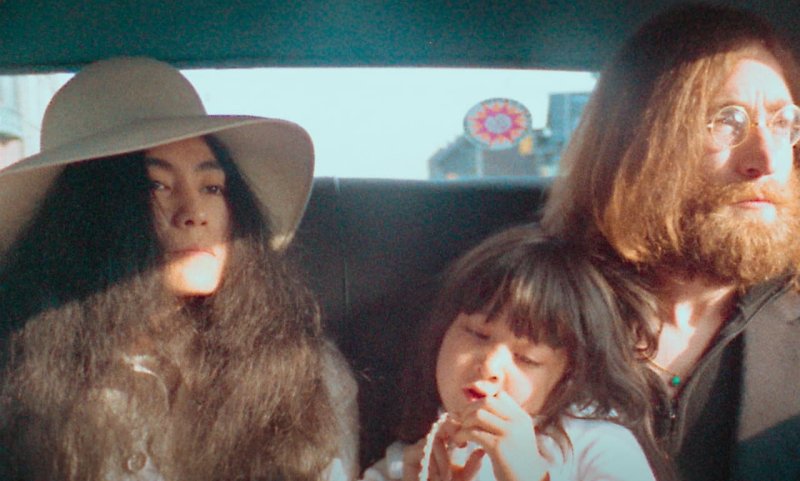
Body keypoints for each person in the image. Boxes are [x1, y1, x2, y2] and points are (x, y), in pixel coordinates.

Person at [0, 57, 358, 481]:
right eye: (156, 185)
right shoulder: (16, 381)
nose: (194, 213)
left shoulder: (301, 373)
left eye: (212, 187)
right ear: (85, 217)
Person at [541, 4, 800, 480]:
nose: (766, 159)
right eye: (726, 120)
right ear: (635, 140)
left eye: (784, 122)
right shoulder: (527, 312)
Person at [362, 226, 673, 481]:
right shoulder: (411, 462)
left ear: (568, 377)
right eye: (477, 334)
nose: (490, 366)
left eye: (527, 359)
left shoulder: (598, 447)